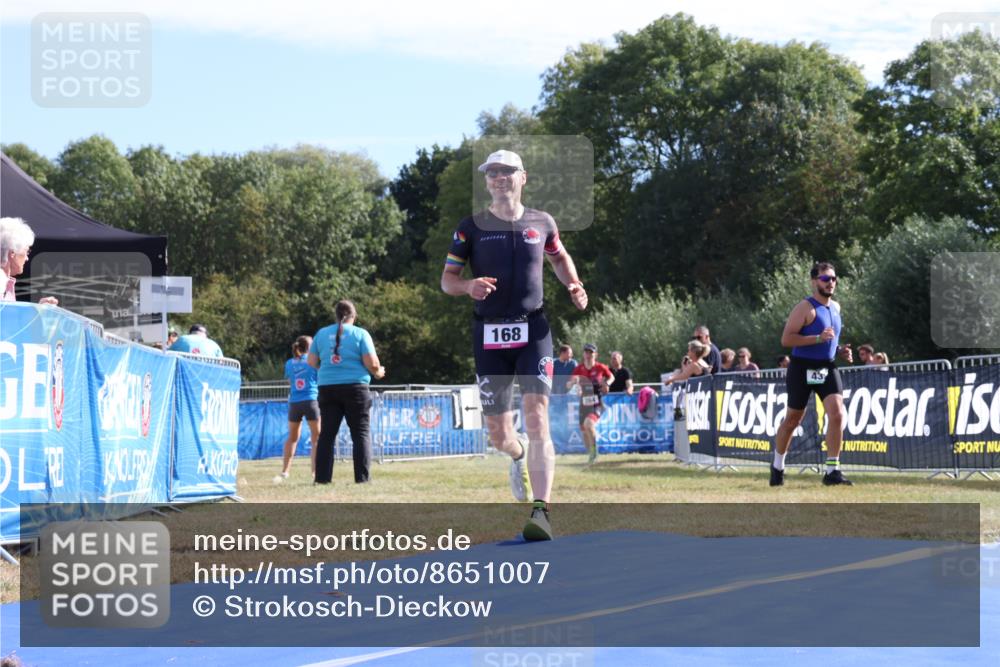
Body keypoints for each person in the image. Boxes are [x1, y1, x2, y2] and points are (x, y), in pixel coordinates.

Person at [440, 148, 588, 542]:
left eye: (507, 171)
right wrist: (467, 286)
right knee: (498, 435)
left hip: (533, 330)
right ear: (487, 181)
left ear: (523, 177)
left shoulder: (542, 222)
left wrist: (574, 283)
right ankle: (517, 454)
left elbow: (559, 259)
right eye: (492, 173)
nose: (499, 178)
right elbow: (447, 280)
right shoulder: (470, 227)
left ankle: (541, 511)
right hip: (488, 334)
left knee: (537, 416)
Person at [770, 261, 854, 488]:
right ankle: (777, 466)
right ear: (814, 281)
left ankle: (832, 471)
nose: (831, 283)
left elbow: (830, 339)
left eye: (834, 279)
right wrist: (817, 338)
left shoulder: (836, 308)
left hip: (826, 367)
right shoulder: (805, 308)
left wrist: (840, 350)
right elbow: (787, 339)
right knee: (793, 420)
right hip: (802, 367)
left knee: (837, 414)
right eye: (826, 279)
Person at [309, 300, 385, 485]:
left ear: (336, 315)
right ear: (354, 315)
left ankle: (322, 479)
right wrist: (378, 372)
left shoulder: (321, 334)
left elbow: (311, 361)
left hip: (327, 388)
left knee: (327, 435)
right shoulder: (360, 334)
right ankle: (362, 479)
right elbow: (372, 363)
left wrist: (328, 370)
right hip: (355, 388)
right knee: (360, 434)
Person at [275, 335, 320, 483]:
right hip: (311, 401)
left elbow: (290, 381)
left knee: (292, 438)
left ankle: (285, 472)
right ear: (309, 347)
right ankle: (315, 473)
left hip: (294, 403)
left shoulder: (289, 363)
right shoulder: (313, 361)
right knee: (316, 438)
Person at [566, 343, 614, 464]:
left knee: (589, 424)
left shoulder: (600, 367)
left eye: (591, 353)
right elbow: (569, 384)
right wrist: (574, 384)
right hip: (583, 404)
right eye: (586, 352)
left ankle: (594, 453)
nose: (588, 355)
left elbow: (611, 377)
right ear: (583, 354)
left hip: (597, 403)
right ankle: (591, 455)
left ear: (595, 355)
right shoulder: (578, 369)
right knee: (584, 430)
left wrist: (607, 384)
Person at [0, 217, 58, 305]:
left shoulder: (5, 282)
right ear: (12, 253)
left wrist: (38, 310)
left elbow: (8, 313)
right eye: (27, 251)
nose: (27, 258)